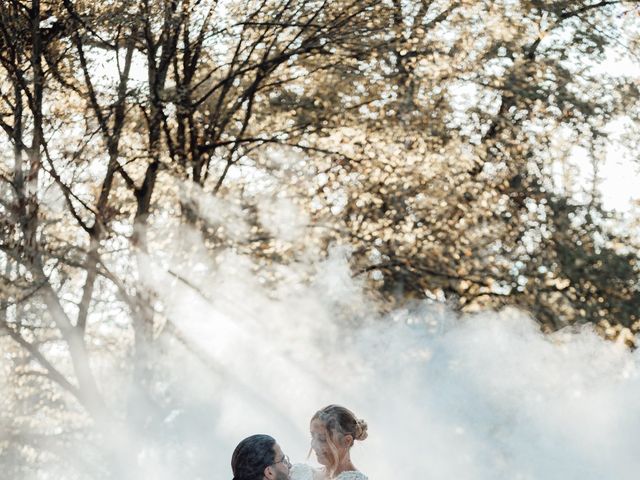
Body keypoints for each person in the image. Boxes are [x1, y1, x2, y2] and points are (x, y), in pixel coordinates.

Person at [291, 405, 368, 480]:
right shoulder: (302, 472)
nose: (314, 445)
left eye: (323, 439)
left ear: (347, 441)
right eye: (312, 436)